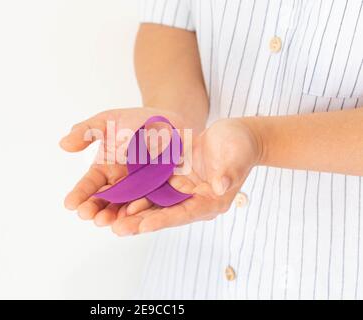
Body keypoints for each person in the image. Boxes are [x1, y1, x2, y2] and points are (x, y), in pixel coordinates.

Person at [60, 0, 363, 299]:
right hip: (189, 271)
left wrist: (261, 140)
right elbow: (169, 24)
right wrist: (171, 125)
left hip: (330, 270)